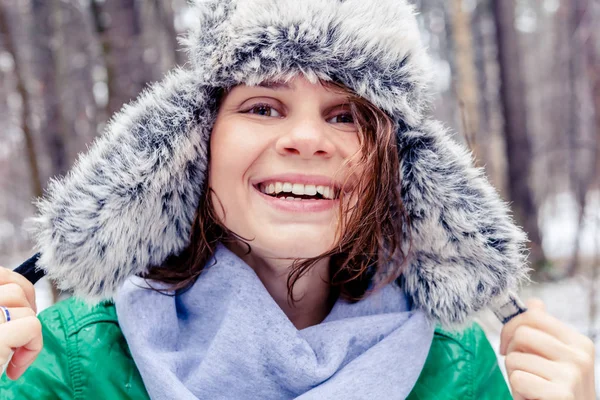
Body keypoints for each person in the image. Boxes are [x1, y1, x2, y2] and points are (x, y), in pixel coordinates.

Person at [0, 0, 596, 398]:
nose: (308, 139)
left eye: (347, 115)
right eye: (263, 106)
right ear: (194, 144)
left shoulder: (459, 371)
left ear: (400, 169)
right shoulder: (63, 364)